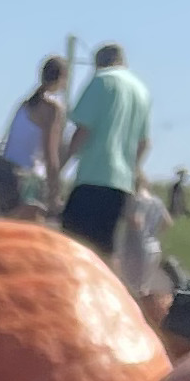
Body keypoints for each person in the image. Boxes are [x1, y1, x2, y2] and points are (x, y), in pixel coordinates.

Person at [61, 41, 151, 256]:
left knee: (73, 244)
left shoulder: (101, 81)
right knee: (104, 248)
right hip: (120, 183)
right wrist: (133, 171)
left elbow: (83, 130)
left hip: (94, 175)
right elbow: (144, 142)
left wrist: (60, 166)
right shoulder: (141, 90)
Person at [0, 53, 68, 214]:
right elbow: (50, 152)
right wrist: (55, 192)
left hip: (8, 178)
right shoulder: (52, 108)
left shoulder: (26, 104)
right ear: (63, 78)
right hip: (28, 179)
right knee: (31, 234)